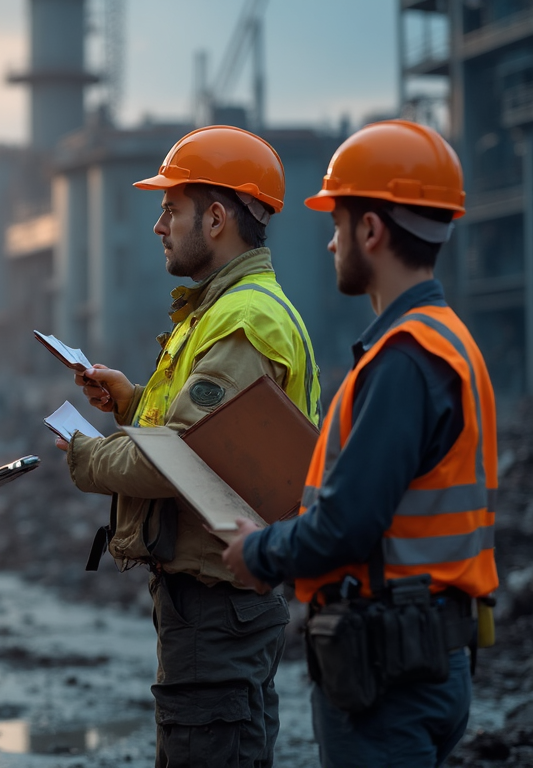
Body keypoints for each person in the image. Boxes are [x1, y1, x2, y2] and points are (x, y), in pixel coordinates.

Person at [222, 119, 496, 768]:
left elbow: (347, 523)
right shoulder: (447, 339)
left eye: (336, 225)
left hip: (387, 672)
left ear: (370, 231)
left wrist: (255, 552)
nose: (329, 245)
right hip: (426, 654)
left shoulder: (404, 361)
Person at [58, 125, 321, 766]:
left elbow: (185, 452)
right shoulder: (225, 310)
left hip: (218, 605)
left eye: (170, 209)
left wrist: (86, 456)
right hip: (226, 602)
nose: (158, 225)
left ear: (216, 216)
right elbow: (222, 431)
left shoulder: (241, 318)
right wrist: (128, 399)